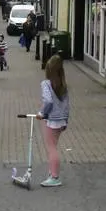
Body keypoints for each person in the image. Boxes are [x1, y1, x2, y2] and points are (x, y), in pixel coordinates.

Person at [36, 54, 71, 187]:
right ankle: (52, 172)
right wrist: (66, 120)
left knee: (51, 148)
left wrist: (41, 113)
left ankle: (55, 176)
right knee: (54, 146)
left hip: (52, 120)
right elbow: (67, 104)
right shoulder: (63, 85)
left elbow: (48, 101)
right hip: (61, 120)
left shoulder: (46, 84)